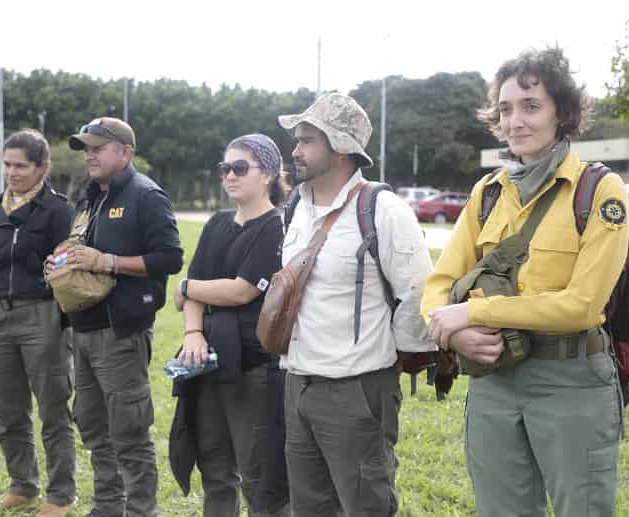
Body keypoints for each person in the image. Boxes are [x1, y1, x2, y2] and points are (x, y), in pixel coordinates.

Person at [421, 47, 628, 516]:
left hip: (572, 381)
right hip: (494, 381)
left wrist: (474, 312)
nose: (516, 121)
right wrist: (453, 331)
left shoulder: (599, 190)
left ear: (563, 113)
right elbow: (440, 283)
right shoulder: (487, 193)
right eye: (505, 109)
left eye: (531, 106)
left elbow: (580, 305)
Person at [276, 93, 435, 516]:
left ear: (341, 148)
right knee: (309, 507)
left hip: (357, 391)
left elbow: (418, 293)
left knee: (366, 506)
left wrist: (387, 361)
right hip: (298, 384)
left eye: (307, 139)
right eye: (297, 139)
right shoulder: (295, 207)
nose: (295, 150)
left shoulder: (383, 210)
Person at [45, 117, 183, 517]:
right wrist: (61, 266)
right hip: (84, 328)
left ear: (124, 152)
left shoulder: (146, 196)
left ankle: (141, 510)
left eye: (97, 147)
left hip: (122, 332)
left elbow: (170, 258)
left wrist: (108, 262)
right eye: (85, 148)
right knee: (91, 425)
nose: (89, 155)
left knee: (129, 432)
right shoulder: (89, 198)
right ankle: (106, 506)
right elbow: (80, 253)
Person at [171, 134, 290, 517]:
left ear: (269, 174)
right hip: (207, 364)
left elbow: (241, 290)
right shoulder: (217, 223)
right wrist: (193, 333)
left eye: (240, 168)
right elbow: (195, 293)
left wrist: (188, 287)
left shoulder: (276, 227)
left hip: (252, 366)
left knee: (258, 474)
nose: (230, 176)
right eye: (225, 168)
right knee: (214, 467)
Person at [0, 129, 76, 516]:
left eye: (21, 166)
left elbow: (68, 267)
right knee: (8, 411)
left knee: (52, 411)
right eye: (7, 165)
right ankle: (23, 485)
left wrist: (60, 317)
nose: (12, 173)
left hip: (41, 315)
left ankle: (61, 494)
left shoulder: (59, 211)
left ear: (42, 168)